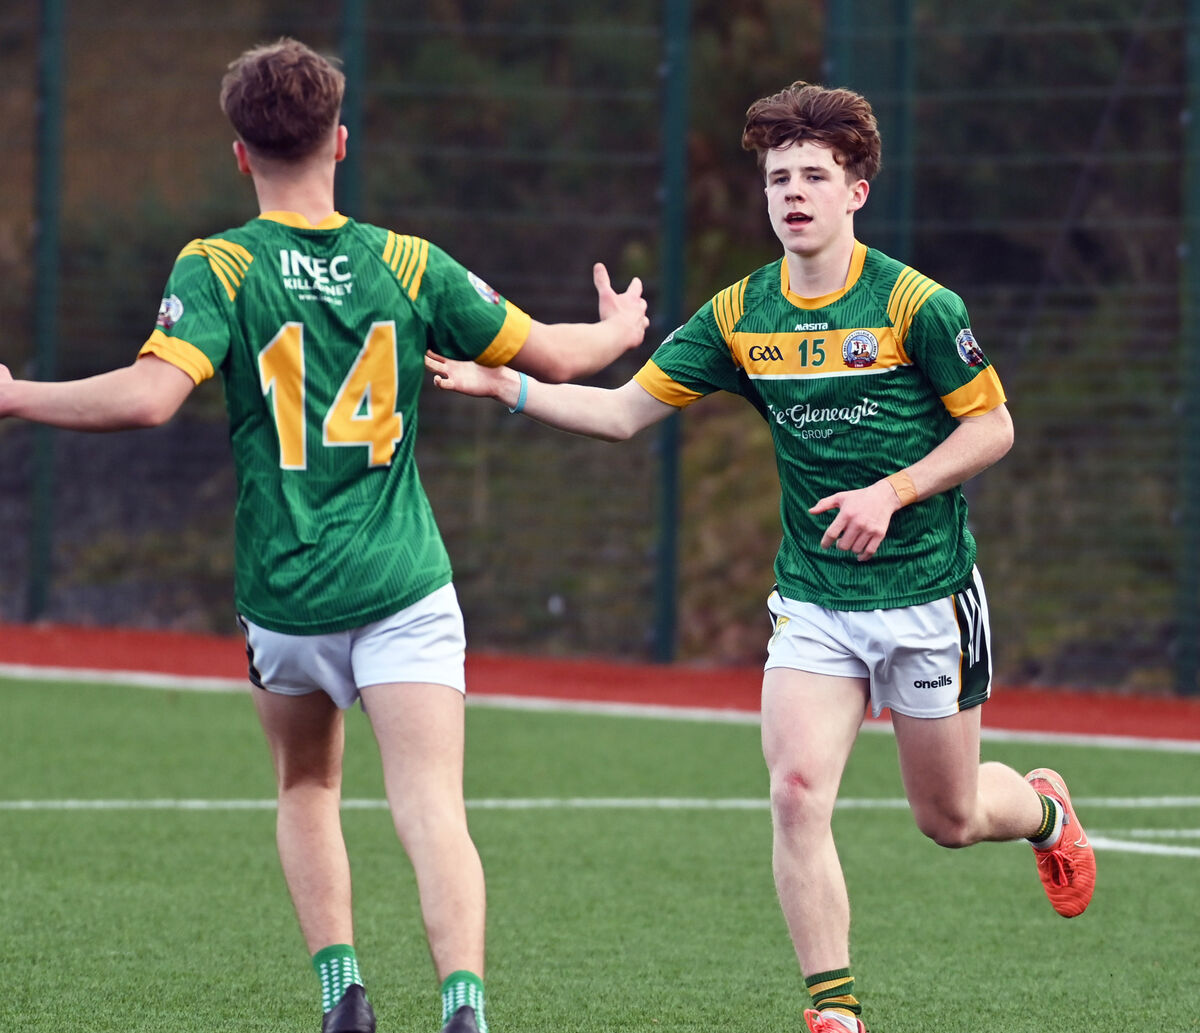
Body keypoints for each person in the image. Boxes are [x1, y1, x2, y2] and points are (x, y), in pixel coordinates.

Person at [0, 38, 649, 1033]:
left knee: (307, 783)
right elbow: (557, 356)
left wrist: (13, 395)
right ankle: (464, 1007)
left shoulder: (216, 264)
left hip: (286, 592)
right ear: (340, 141)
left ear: (238, 153)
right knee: (431, 804)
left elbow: (145, 399)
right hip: (403, 584)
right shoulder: (408, 262)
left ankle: (341, 991)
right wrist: (617, 328)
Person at [424, 80, 1096, 1033]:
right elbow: (622, 413)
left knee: (948, 819)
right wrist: (509, 388)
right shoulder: (739, 315)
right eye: (778, 177)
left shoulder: (917, 305)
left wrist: (891, 491)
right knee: (792, 791)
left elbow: (993, 427)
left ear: (856, 190)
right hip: (815, 599)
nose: (793, 193)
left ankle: (1042, 810)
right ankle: (834, 1012)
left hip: (927, 595)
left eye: (814, 176)